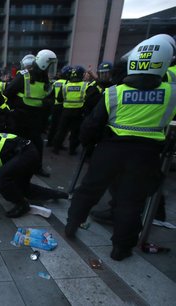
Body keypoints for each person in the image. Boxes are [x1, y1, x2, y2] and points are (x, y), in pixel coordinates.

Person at [64, 36, 176, 261]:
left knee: (88, 191)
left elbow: (91, 126)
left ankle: (72, 225)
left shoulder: (114, 92)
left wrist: (88, 144)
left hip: (110, 151)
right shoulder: (171, 93)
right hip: (146, 155)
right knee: (131, 203)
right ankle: (120, 249)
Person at [4, 49, 58, 177]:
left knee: (38, 145)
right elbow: (7, 93)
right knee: (14, 145)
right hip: (19, 118)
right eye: (50, 65)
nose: (51, 69)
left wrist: (48, 103)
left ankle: (37, 168)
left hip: (35, 120)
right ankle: (10, 168)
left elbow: (51, 98)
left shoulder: (46, 81)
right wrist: (12, 111)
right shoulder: (24, 75)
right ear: (44, 63)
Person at [52, 66, 89, 155]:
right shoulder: (85, 85)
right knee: (75, 132)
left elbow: (60, 99)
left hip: (66, 112)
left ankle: (56, 148)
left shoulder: (65, 86)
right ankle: (72, 151)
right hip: (78, 112)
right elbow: (88, 99)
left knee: (61, 130)